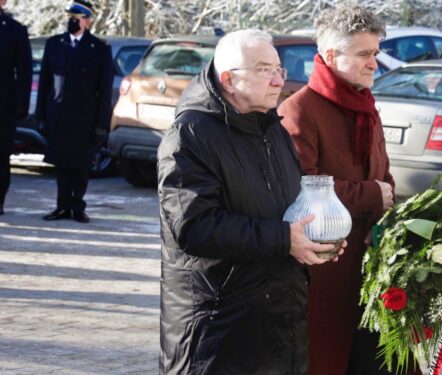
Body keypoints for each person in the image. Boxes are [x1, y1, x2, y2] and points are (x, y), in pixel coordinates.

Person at [158, 29, 343, 374]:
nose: (278, 81)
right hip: (218, 329)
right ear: (229, 79)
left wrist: (314, 236)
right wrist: (284, 239)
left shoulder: (273, 129)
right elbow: (195, 227)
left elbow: (286, 206)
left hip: (277, 320)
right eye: (264, 70)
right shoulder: (190, 135)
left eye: (279, 70)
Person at [278, 5, 409, 375]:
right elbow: (302, 188)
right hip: (325, 271)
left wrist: (384, 222)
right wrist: (372, 195)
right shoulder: (300, 110)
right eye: (365, 54)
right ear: (332, 56)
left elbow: (384, 177)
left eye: (376, 54)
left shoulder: (365, 105)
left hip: (370, 264)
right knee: (326, 361)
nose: (374, 64)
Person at [36, 0, 114, 223]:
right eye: (69, 17)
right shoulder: (54, 44)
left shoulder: (99, 49)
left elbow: (105, 91)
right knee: (62, 164)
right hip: (59, 115)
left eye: (76, 18)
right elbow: (45, 83)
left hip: (84, 118)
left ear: (87, 21)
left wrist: (102, 124)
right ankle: (62, 206)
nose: (71, 21)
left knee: (80, 165)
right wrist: (41, 115)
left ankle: (77, 207)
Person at [0, 0, 32, 215]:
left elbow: (24, 71)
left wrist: (21, 105)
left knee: (1, 156)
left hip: (3, 105)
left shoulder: (14, 30)